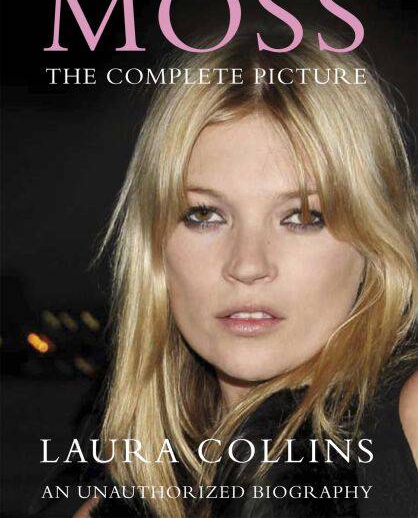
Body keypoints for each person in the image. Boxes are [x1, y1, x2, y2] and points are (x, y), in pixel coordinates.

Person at [71, 32, 418, 518]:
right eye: (204, 215)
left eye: (303, 217)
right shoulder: (121, 495)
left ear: (373, 240)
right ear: (155, 249)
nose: (247, 265)